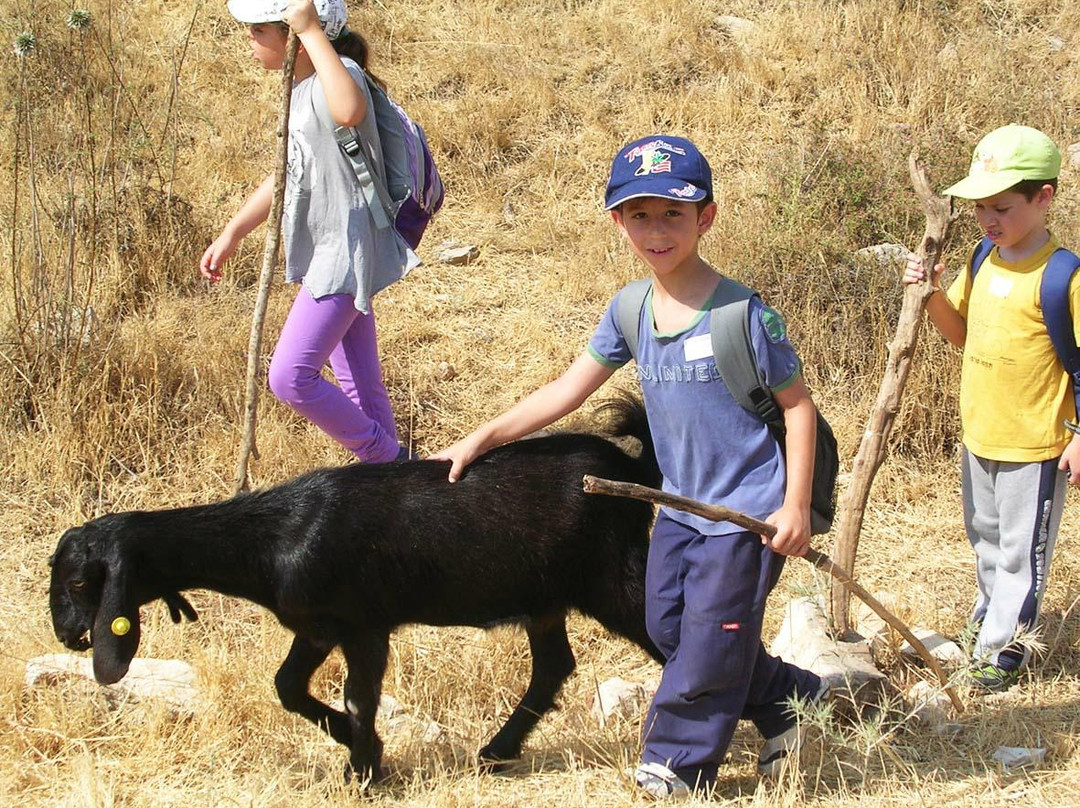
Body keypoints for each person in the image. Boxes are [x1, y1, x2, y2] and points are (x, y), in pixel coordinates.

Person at [433, 135, 826, 797]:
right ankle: (789, 700)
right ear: (618, 222)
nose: (656, 230)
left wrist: (792, 505)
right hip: (680, 506)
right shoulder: (631, 309)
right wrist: (482, 438)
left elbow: (799, 409)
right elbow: (567, 390)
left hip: (746, 511)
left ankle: (676, 764)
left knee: (708, 641)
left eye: (673, 213)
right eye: (639, 215)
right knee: (665, 626)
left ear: (707, 217)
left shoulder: (743, 314)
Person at [200, 0, 418, 463]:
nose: (250, 40)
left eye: (259, 30)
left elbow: (349, 109)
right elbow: (287, 172)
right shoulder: (303, 88)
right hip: (332, 247)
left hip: (345, 250)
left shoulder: (337, 77)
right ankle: (390, 483)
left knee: (289, 376)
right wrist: (234, 230)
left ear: (294, 35)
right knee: (360, 381)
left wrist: (311, 31)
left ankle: (392, 463)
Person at [904, 124, 1080, 693]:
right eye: (980, 208)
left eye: (1001, 207)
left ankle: (1004, 651)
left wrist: (1077, 435)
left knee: (1020, 554)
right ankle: (988, 623)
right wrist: (929, 293)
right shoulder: (983, 258)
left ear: (1044, 197)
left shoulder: (1063, 277)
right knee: (983, 538)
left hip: (1036, 446)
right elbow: (959, 334)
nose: (988, 220)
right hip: (979, 434)